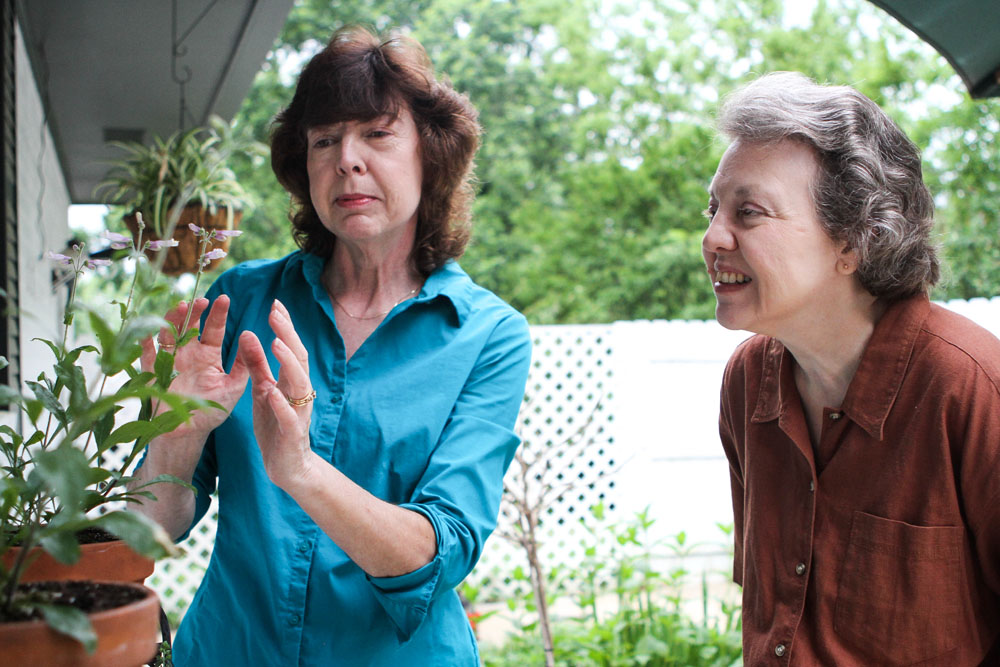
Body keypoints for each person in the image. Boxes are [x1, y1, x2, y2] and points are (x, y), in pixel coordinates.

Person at [131, 26, 531, 665]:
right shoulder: (239, 303)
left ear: (432, 154)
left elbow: (441, 553)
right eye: (324, 140)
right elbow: (149, 534)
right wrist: (176, 437)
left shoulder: (488, 335)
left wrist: (301, 470)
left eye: (376, 133)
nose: (347, 158)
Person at [703, 71, 1000, 665]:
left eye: (750, 212)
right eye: (712, 209)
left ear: (853, 241)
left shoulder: (969, 387)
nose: (713, 237)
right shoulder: (746, 383)